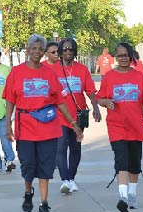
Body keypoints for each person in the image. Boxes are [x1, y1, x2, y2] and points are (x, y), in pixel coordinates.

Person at [2, 34, 83, 212]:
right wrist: (8, 126)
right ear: (27, 49)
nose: (37, 52)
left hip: (47, 127)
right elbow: (9, 101)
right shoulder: (16, 72)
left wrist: (73, 123)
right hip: (26, 126)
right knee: (28, 165)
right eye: (34, 48)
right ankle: (28, 191)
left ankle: (44, 203)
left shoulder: (49, 73)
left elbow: (59, 101)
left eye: (40, 49)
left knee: (46, 167)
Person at [95, 42, 143, 212]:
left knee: (134, 163)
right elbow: (99, 98)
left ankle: (132, 194)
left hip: (135, 126)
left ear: (131, 56)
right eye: (120, 55)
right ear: (115, 57)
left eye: (126, 55)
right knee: (121, 160)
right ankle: (122, 197)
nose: (123, 58)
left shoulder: (139, 77)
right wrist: (105, 102)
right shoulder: (109, 77)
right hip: (117, 126)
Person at [52, 38, 102, 194]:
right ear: (60, 52)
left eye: (71, 49)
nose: (68, 51)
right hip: (59, 116)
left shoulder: (82, 69)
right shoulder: (53, 70)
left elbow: (90, 91)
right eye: (65, 49)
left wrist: (95, 108)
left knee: (75, 147)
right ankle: (65, 179)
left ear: (75, 51)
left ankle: (71, 178)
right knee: (60, 147)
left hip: (78, 114)